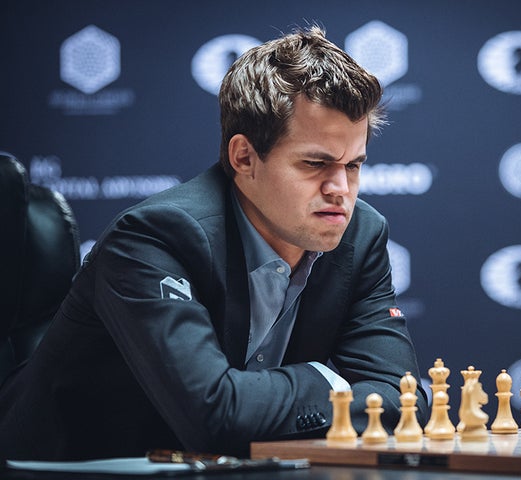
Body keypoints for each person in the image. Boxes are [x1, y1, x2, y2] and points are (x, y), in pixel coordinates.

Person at [0, 26, 429, 460]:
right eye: (315, 163)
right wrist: (328, 381)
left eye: (353, 165)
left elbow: (405, 399)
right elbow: (214, 416)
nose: (341, 189)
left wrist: (267, 399)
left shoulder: (360, 234)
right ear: (244, 157)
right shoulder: (155, 236)